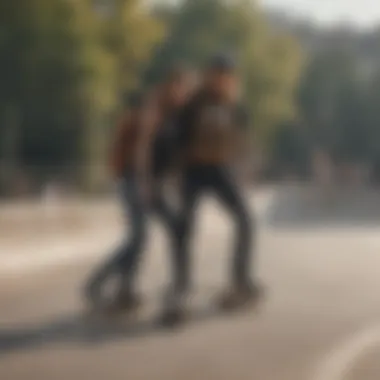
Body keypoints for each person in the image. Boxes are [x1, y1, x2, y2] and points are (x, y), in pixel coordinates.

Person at [162, 54, 263, 323]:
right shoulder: (194, 103)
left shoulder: (236, 107)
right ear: (209, 76)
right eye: (217, 76)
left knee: (246, 220)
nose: (222, 82)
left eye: (227, 78)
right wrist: (174, 172)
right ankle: (181, 287)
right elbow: (176, 136)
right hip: (193, 170)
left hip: (221, 170)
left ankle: (240, 280)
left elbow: (243, 140)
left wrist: (245, 170)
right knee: (184, 228)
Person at [84, 92, 155, 313]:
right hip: (132, 182)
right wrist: (144, 183)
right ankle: (99, 283)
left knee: (138, 239)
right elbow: (138, 157)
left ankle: (125, 289)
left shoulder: (131, 122)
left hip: (128, 181)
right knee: (137, 238)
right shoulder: (139, 122)